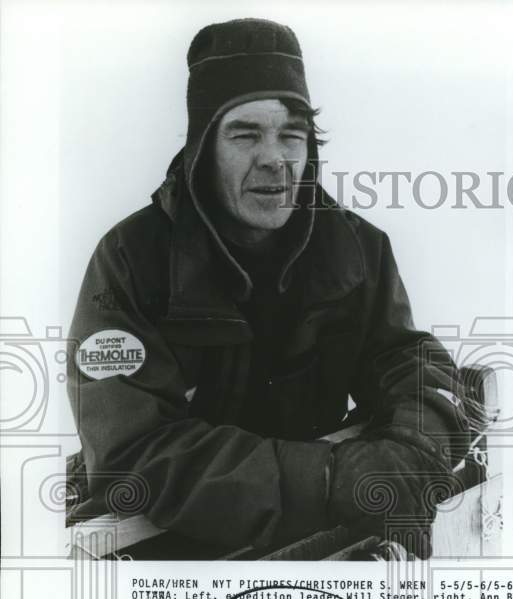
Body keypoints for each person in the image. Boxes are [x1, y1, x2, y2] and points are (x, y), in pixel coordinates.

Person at [66, 18, 469, 558]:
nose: (275, 158)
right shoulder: (129, 260)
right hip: (169, 544)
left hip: (322, 531)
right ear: (203, 147)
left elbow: (403, 356)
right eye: (246, 133)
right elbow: (131, 454)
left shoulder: (357, 247)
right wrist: (330, 480)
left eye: (291, 135)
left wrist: (422, 437)